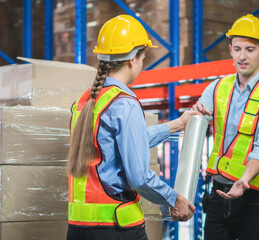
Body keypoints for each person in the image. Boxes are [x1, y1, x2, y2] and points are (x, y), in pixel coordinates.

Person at [66, 15, 197, 240]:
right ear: (132, 60)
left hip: (78, 227)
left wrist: (176, 125)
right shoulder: (125, 103)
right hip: (117, 227)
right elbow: (139, 178)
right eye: (143, 58)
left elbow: (122, 145)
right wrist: (174, 198)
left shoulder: (84, 102)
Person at [192, 14, 259, 240]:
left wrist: (244, 180)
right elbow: (194, 122)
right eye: (237, 49)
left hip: (253, 196)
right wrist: (195, 115)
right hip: (218, 192)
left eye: (250, 49)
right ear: (230, 49)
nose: (242, 57)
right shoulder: (216, 88)